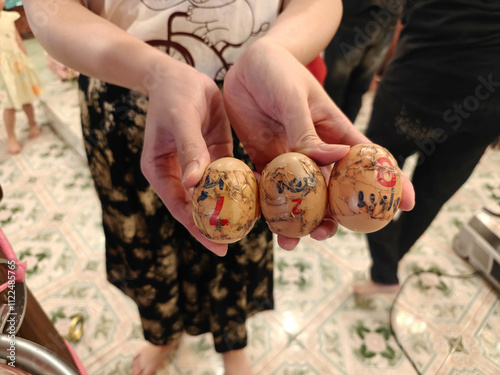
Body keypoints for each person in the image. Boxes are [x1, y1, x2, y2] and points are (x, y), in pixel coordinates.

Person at [24, 1, 415, 375]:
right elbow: (46, 7)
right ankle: (163, 333)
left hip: (250, 104)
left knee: (237, 247)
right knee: (150, 244)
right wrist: (153, 72)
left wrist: (277, 49)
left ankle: (233, 344)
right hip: (127, 100)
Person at [354, 0, 500, 295]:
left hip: (419, 86)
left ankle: (384, 270)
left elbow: (406, 13)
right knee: (420, 196)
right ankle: (385, 270)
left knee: (373, 180)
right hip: (482, 103)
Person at [323, 0, 401, 123]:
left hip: (358, 13)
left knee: (334, 90)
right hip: (389, 14)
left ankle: (331, 136)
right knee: (356, 89)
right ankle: (342, 137)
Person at [0, 0, 42, 154]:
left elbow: (18, 40)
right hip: (3, 71)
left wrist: (26, 60)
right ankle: (11, 137)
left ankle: (32, 124)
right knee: (9, 105)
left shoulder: (8, 17)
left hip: (18, 65)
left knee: (26, 98)